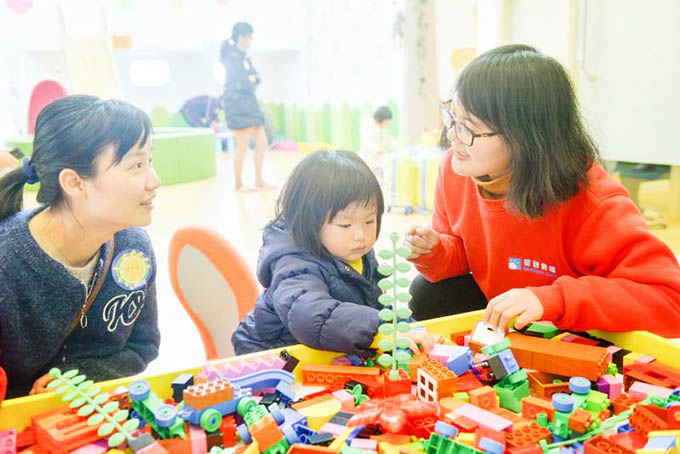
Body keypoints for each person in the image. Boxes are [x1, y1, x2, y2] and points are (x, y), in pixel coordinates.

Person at [404, 44, 680, 337]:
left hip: (570, 326)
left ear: (525, 138)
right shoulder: (456, 169)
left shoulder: (593, 201)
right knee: (428, 292)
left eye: (469, 128)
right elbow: (468, 254)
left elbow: (670, 299)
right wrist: (435, 252)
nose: (452, 136)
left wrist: (554, 299)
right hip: (508, 313)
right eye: (452, 119)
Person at [0, 95, 161, 398]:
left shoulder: (133, 246)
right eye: (136, 165)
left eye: (149, 161)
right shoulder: (7, 265)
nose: (154, 181)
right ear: (75, 183)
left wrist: (81, 376)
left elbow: (143, 345)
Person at [232, 150, 439, 355]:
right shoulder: (294, 265)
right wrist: (379, 328)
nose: (360, 235)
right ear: (310, 222)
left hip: (325, 350)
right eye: (345, 225)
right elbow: (312, 316)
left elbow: (373, 305)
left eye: (369, 221)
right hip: (271, 355)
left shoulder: (354, 252)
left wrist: (407, 327)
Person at [220, 22, 271, 191]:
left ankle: (259, 181)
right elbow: (243, 82)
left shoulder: (244, 57)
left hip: (250, 105)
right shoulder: (232, 57)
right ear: (241, 37)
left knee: (262, 142)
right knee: (242, 146)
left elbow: (257, 77)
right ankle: (238, 184)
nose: (251, 40)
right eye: (249, 36)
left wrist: (252, 80)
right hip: (238, 107)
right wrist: (250, 81)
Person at [359, 106, 399, 183]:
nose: (387, 123)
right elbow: (367, 142)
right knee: (368, 181)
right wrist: (379, 150)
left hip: (378, 162)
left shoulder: (383, 128)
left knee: (379, 181)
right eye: (386, 121)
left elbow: (389, 140)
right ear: (380, 119)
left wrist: (400, 147)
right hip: (368, 160)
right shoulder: (367, 127)